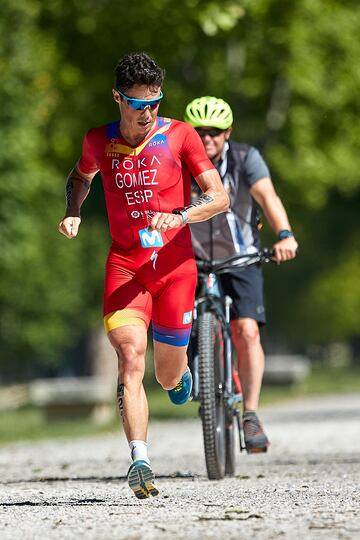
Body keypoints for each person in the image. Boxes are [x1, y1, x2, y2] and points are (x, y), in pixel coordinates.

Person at [58, 55, 229, 499]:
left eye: (155, 102)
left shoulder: (180, 135)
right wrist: (73, 213)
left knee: (167, 378)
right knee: (131, 358)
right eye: (137, 103)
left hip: (174, 269)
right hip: (126, 266)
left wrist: (181, 216)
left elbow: (219, 197)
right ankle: (139, 459)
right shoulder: (99, 139)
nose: (147, 112)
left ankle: (181, 374)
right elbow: (80, 176)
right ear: (118, 98)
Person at [184, 96, 298, 453]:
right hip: (189, 257)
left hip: (242, 257)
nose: (207, 140)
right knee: (176, 323)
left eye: (214, 132)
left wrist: (284, 235)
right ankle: (194, 372)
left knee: (246, 330)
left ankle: (250, 413)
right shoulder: (175, 161)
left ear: (227, 132)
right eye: (200, 132)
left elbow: (268, 197)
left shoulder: (245, 158)